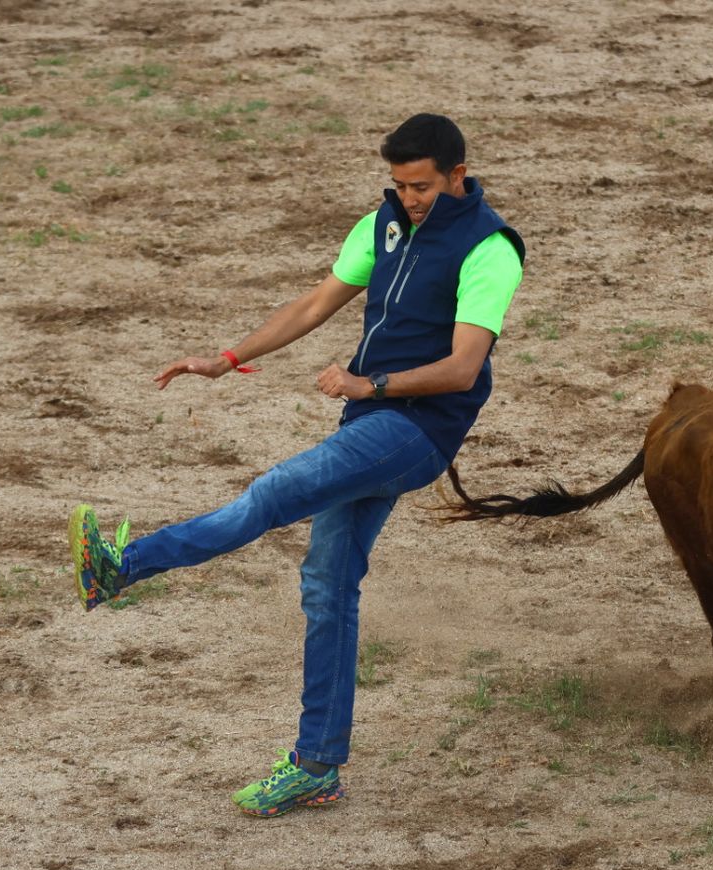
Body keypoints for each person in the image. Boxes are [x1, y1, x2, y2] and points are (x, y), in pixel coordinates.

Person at [68, 113, 524, 818]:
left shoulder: (490, 250)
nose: (410, 198)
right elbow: (316, 302)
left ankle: (125, 565)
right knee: (327, 584)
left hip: (414, 432)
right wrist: (226, 358)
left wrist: (366, 385)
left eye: (423, 187)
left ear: (458, 175)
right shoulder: (383, 222)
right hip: (369, 419)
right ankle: (317, 766)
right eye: (400, 186)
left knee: (274, 493)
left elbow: (463, 369)